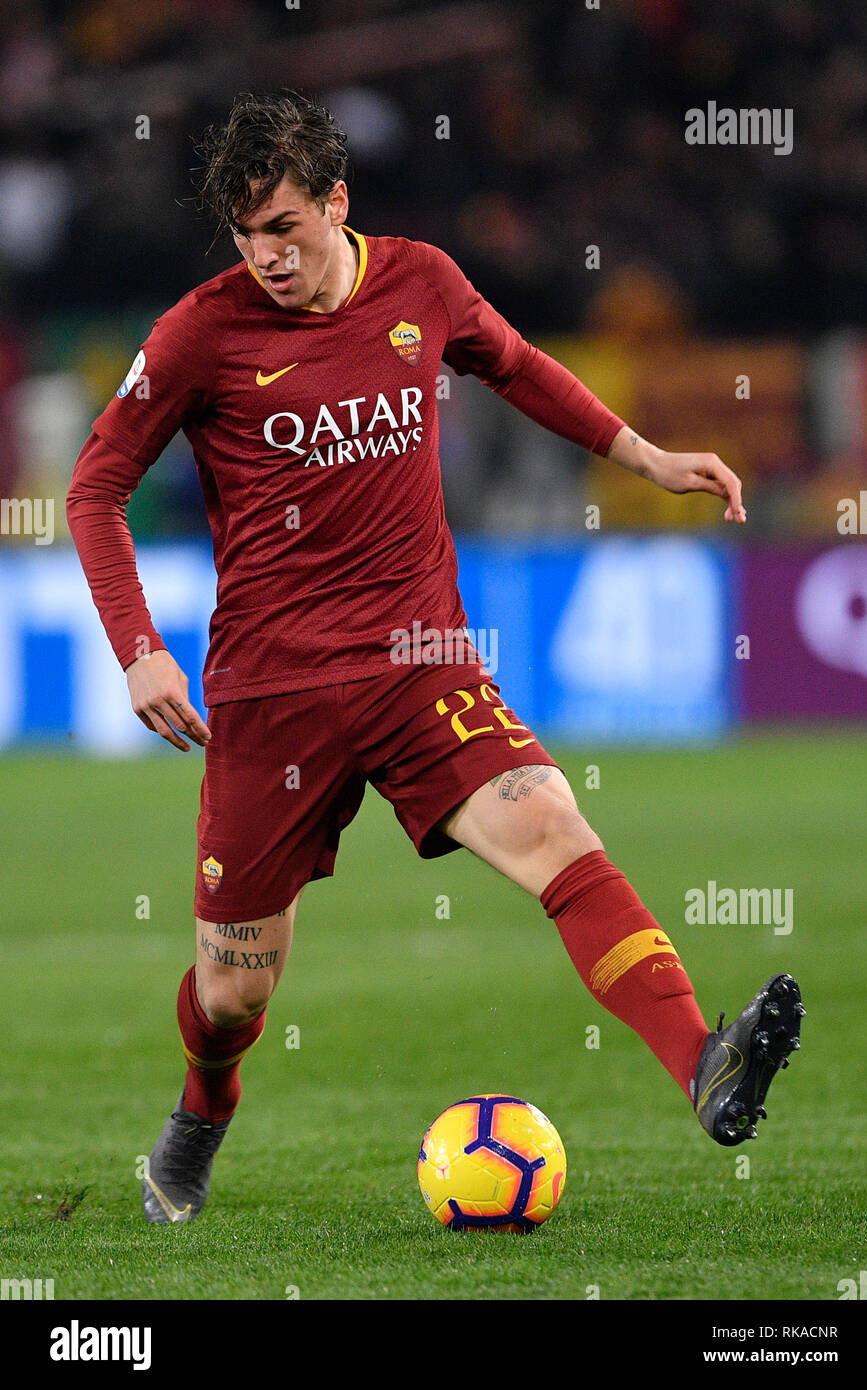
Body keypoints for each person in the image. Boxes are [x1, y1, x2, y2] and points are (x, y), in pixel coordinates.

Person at [66, 90, 802, 1225]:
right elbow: (95, 486)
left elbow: (515, 364)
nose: (268, 257)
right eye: (249, 237)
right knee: (231, 992)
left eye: (287, 230)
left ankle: (702, 1060)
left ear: (337, 205)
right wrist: (137, 650)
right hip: (273, 695)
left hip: (423, 665)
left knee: (555, 824)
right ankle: (200, 1116)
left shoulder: (422, 282)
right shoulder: (197, 335)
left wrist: (644, 456)